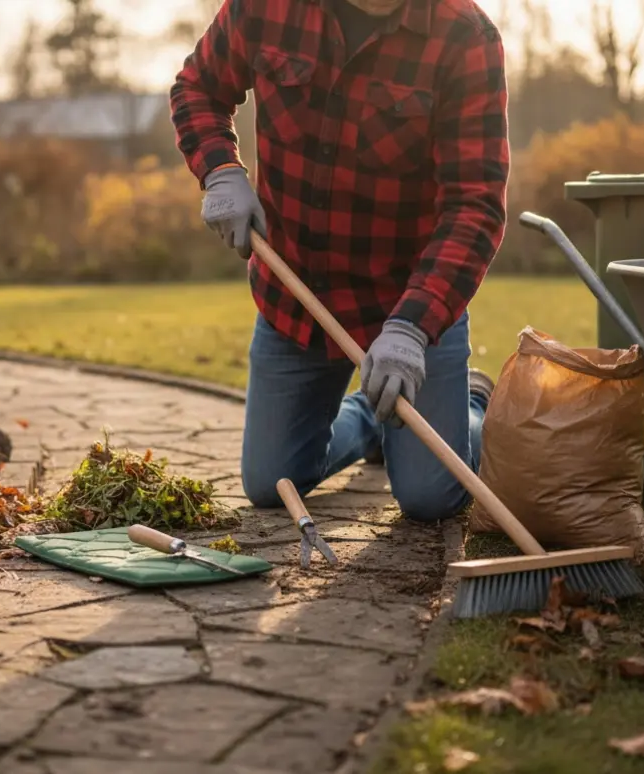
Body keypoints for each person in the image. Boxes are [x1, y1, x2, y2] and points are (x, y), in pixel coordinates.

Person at [169, 0, 509, 523]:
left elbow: (475, 206)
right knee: (271, 484)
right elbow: (197, 87)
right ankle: (375, 420)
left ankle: (472, 406)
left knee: (430, 497)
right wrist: (220, 170)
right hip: (296, 297)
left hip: (409, 307)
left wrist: (412, 330)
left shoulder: (464, 37)